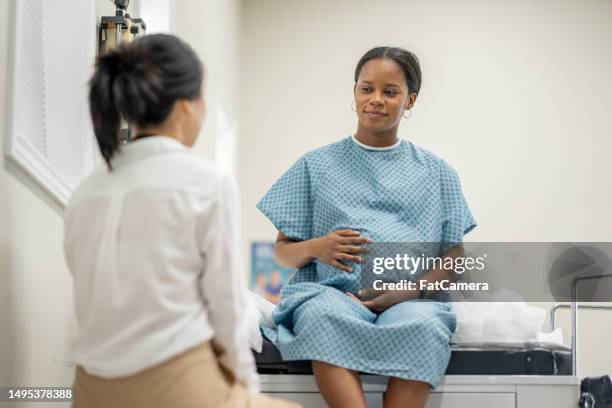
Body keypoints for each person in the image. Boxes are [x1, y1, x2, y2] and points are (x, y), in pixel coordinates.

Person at [63, 34, 298, 408]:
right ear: (187, 105)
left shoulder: (86, 191)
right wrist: (247, 389)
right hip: (175, 387)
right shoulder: (207, 182)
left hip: (91, 390)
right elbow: (227, 311)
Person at [257, 46, 477, 408]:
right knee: (323, 317)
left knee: (424, 328)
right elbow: (282, 252)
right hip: (332, 293)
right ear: (355, 92)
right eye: (366, 88)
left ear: (410, 101)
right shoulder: (315, 165)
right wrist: (316, 247)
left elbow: (454, 257)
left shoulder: (438, 173)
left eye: (390, 92)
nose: (376, 100)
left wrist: (410, 292)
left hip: (409, 297)